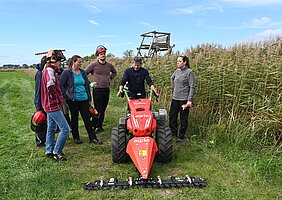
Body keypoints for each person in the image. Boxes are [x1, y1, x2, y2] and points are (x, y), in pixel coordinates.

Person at [60, 55, 102, 145]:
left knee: (87, 118)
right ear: (73, 62)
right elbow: (61, 86)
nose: (81, 63)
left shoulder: (83, 72)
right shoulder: (67, 73)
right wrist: (67, 96)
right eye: (79, 61)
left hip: (84, 99)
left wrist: (89, 98)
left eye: (81, 61)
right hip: (73, 100)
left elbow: (87, 85)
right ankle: (76, 137)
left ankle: (93, 138)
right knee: (74, 118)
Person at [41, 50, 71, 161]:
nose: (60, 64)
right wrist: (57, 99)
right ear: (54, 61)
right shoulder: (49, 71)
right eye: (59, 62)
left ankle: (49, 150)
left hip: (49, 105)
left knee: (51, 128)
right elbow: (50, 86)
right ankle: (56, 152)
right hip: (52, 105)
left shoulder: (49, 70)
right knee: (65, 129)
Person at [85, 45, 117, 132]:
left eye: (104, 54)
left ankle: (99, 125)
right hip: (97, 90)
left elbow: (114, 72)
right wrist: (89, 83)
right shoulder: (93, 65)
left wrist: (110, 78)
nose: (103, 55)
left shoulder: (109, 65)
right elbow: (84, 74)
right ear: (97, 55)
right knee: (98, 108)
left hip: (106, 89)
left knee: (103, 108)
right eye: (101, 54)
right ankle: (94, 124)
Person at [169, 55, 196, 142]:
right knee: (172, 116)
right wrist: (174, 87)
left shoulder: (189, 72)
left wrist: (189, 99)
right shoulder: (177, 71)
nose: (178, 62)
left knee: (183, 118)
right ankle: (173, 134)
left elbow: (192, 86)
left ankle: (181, 136)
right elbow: (172, 78)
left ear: (185, 62)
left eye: (180, 61)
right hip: (175, 98)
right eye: (177, 61)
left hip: (184, 100)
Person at [33, 55, 47, 147]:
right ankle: (40, 141)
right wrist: (38, 107)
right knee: (41, 121)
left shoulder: (45, 72)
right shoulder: (40, 74)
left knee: (47, 122)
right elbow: (38, 90)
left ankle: (45, 139)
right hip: (41, 102)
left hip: (46, 102)